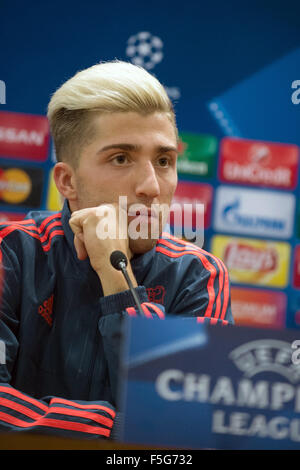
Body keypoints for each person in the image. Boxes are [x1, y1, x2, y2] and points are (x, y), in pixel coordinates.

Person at [0, 60, 233, 440]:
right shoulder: (10, 254)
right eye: (121, 158)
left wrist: (116, 276)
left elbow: (181, 432)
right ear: (67, 181)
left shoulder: (199, 276)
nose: (151, 187)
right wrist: (118, 429)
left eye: (164, 160)